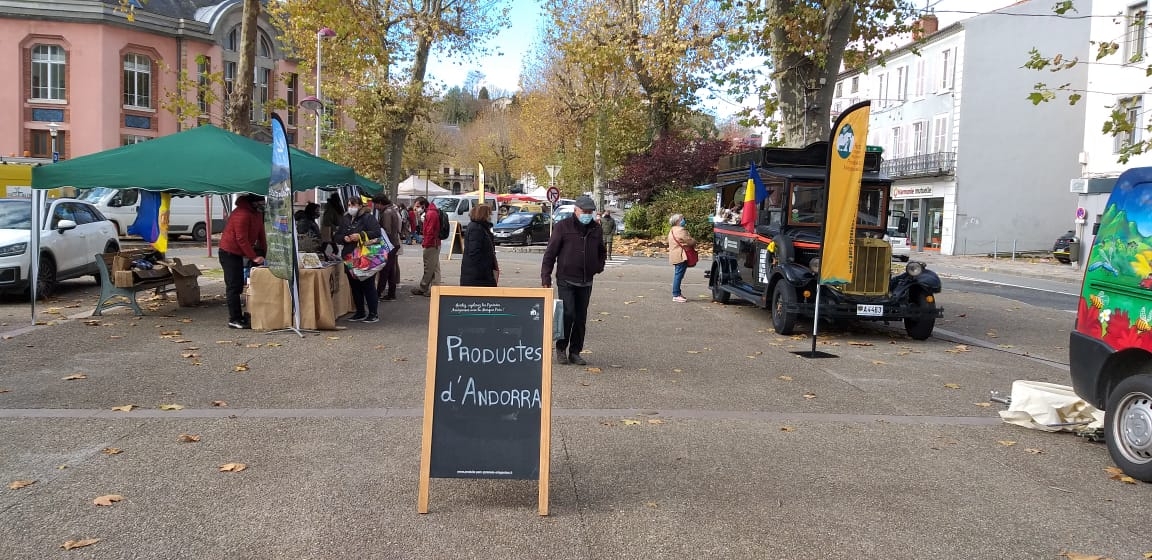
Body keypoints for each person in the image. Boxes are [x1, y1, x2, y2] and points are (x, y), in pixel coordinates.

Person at [541, 196, 606, 366]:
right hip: (566, 278)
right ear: (576, 210)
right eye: (584, 212)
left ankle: (575, 352)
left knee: (580, 318)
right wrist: (545, 277)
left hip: (586, 280)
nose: (587, 215)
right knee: (567, 314)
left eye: (590, 212)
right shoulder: (563, 227)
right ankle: (561, 348)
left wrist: (598, 266)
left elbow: (602, 251)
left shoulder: (596, 229)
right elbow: (550, 253)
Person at [219, 194, 267, 329]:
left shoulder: (257, 214)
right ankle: (234, 319)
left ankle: (240, 316)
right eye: (260, 203)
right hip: (228, 252)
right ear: (253, 203)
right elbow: (241, 239)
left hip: (238, 252)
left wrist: (266, 252)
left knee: (240, 284)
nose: (262, 205)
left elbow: (261, 233)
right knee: (234, 286)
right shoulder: (242, 214)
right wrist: (253, 257)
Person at [335, 196, 383, 323]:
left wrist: (360, 235)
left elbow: (377, 232)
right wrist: (343, 238)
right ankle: (360, 311)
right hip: (349, 256)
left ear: (360, 205)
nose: (351, 207)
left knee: (368, 285)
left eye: (353, 204)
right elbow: (337, 236)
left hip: (364, 256)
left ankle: (373, 313)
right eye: (349, 204)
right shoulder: (345, 218)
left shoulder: (368, 217)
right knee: (354, 286)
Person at [460, 204, 499, 287]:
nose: (491, 216)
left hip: (480, 274)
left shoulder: (481, 227)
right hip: (478, 276)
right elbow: (474, 253)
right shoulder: (476, 228)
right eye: (489, 214)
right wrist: (486, 268)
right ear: (483, 214)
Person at [411, 196, 441, 296]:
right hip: (434, 243)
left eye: (418, 206)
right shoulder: (432, 212)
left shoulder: (431, 213)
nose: (416, 208)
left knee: (429, 267)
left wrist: (425, 243)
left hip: (431, 243)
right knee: (434, 267)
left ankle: (424, 287)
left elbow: (430, 231)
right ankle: (434, 289)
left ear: (423, 205)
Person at [373, 194, 402, 301]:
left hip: (389, 244)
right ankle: (391, 293)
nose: (375, 207)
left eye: (375, 204)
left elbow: (386, 230)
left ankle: (379, 292)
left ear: (380, 203)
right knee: (390, 270)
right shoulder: (392, 210)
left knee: (385, 270)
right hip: (394, 243)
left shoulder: (386, 213)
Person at [667, 213, 697, 303]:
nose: (684, 220)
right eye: (682, 219)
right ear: (678, 221)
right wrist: (695, 241)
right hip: (681, 255)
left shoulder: (672, 230)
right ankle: (676, 294)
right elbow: (689, 241)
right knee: (678, 275)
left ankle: (677, 294)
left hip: (675, 255)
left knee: (678, 274)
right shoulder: (680, 230)